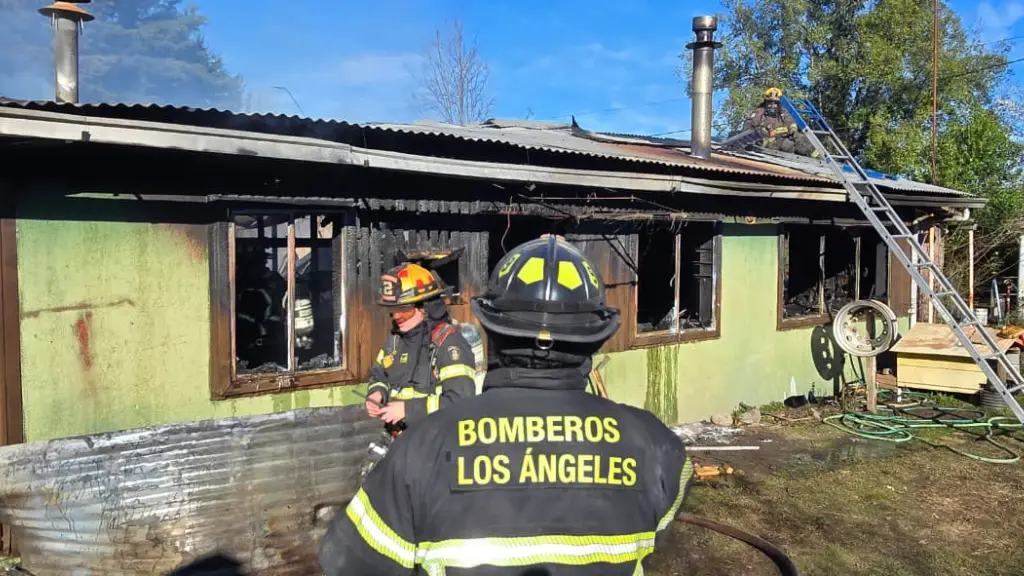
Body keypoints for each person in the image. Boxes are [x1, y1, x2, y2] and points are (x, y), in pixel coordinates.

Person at [321, 235, 694, 575]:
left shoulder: (419, 452)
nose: (397, 318)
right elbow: (652, 534)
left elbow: (347, 563)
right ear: (594, 339)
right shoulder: (658, 448)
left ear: (492, 330)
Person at [363, 261, 477, 431]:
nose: (396, 316)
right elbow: (379, 376)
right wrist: (378, 392)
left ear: (424, 307)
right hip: (399, 438)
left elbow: (460, 401)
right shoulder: (395, 340)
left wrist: (407, 410)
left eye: (403, 309)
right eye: (392, 310)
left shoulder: (448, 342)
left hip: (435, 442)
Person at [742, 87, 820, 158]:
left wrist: (792, 129)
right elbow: (749, 123)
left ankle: (818, 158)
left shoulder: (782, 112)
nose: (772, 105)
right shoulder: (759, 111)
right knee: (785, 144)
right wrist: (749, 137)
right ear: (765, 102)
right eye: (770, 102)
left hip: (781, 139)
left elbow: (791, 122)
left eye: (775, 103)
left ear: (779, 104)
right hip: (765, 142)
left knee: (799, 138)